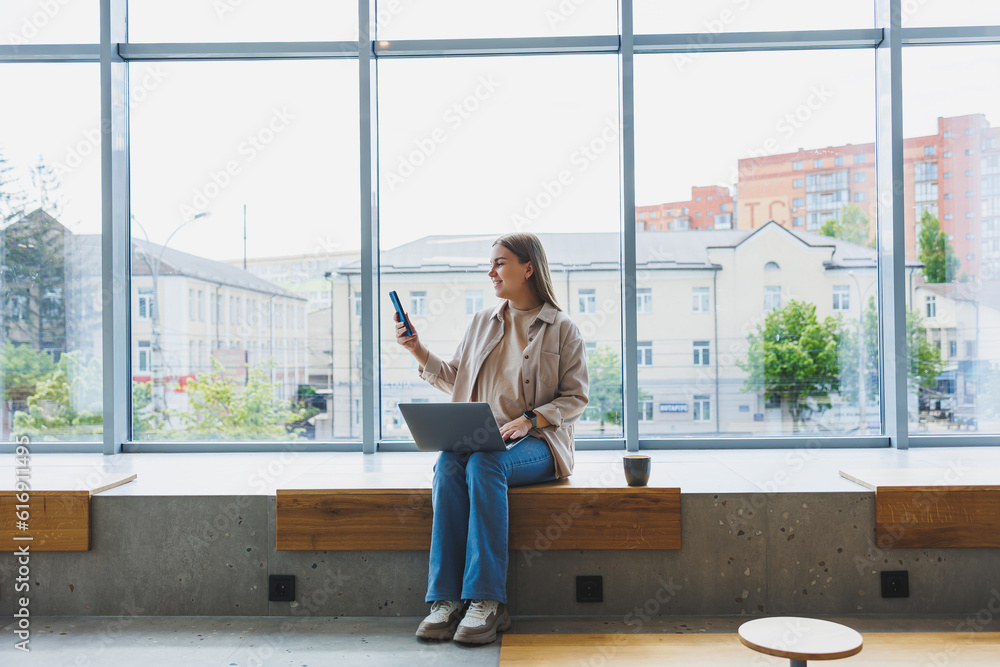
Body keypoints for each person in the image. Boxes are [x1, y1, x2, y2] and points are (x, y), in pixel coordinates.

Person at [394, 232, 589, 645]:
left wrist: (531, 420)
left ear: (528, 268)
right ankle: (445, 601)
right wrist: (417, 349)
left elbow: (576, 398)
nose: (492, 271)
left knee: (485, 464)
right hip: (482, 436)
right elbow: (454, 378)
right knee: (448, 463)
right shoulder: (483, 321)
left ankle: (487, 602)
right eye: (493, 263)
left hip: (537, 443)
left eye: (500, 263)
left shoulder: (562, 328)